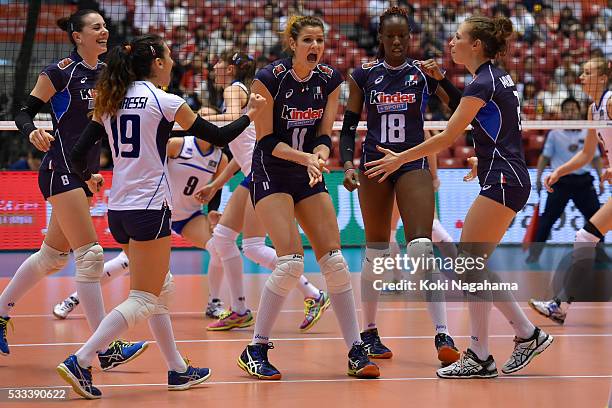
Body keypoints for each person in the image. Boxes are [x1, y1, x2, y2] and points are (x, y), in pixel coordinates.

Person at [55, 34, 265, 399]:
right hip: (150, 208)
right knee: (145, 297)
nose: (172, 63)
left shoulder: (110, 99)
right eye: (169, 57)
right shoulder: (165, 100)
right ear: (156, 62)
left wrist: (88, 178)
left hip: (119, 209)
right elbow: (217, 134)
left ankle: (177, 369)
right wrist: (251, 115)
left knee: (159, 287)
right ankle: (83, 359)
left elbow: (75, 153)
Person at [365, 15, 553, 379]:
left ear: (476, 45)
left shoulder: (482, 82)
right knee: (472, 267)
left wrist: (401, 158)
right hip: (503, 174)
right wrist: (480, 158)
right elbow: (496, 127)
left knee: (468, 265)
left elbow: (447, 135)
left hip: (503, 179)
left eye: (457, 37)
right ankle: (488, 350)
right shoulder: (495, 78)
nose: (451, 42)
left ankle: (521, 336)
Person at [2, 9, 148, 368]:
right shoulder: (60, 73)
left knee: (52, 257)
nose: (104, 31)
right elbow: (23, 109)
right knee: (91, 255)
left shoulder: (110, 74)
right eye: (95, 27)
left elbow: (101, 130)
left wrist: (93, 172)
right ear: (77, 36)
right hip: (58, 170)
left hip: (80, 174)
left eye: (104, 26)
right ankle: (105, 350)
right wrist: (30, 130)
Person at [237, 15, 379, 380]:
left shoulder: (329, 80)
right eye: (308, 41)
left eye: (320, 40)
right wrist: (306, 158)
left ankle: (354, 351)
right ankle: (256, 348)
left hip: (305, 170)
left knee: (334, 261)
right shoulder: (269, 79)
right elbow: (267, 141)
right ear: (293, 43)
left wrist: (319, 155)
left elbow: (323, 132)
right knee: (290, 263)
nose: (315, 46)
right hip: (272, 170)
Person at [340, 6, 460, 365]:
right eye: (389, 35)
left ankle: (442, 333)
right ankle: (370, 332)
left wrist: (444, 80)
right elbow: (348, 129)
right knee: (376, 251)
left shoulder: (423, 74)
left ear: (410, 38)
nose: (396, 41)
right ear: (380, 38)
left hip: (412, 163)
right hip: (375, 165)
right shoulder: (363, 75)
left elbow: (458, 109)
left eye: (402, 35)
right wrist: (347, 164)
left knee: (421, 246)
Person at [196, 50, 330, 331]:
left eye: (218, 61)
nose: (214, 65)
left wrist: (203, 116)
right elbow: (239, 150)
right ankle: (242, 308)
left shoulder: (234, 90)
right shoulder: (243, 92)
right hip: (252, 173)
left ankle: (311, 295)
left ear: (230, 69)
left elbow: (231, 123)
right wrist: (215, 184)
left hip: (260, 175)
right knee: (224, 240)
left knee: (249, 246)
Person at [52, 134, 228, 320]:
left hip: (188, 215)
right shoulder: (179, 145)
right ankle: (73, 299)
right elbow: (150, 161)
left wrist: (212, 210)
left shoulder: (220, 158)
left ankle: (214, 303)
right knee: (126, 262)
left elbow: (216, 188)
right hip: (159, 210)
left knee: (218, 248)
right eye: (205, 116)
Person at [529, 57, 612, 324]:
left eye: (588, 72)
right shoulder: (593, 110)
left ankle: (560, 305)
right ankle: (560, 306)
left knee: (585, 237)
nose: (582, 78)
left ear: (602, 77)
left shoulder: (611, 102)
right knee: (586, 237)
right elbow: (588, 153)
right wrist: (559, 171)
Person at [526, 97, 605, 265]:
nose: (571, 112)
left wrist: (600, 179)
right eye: (567, 109)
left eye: (574, 109)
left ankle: (600, 253)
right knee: (546, 220)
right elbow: (544, 157)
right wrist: (539, 178)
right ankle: (534, 254)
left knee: (597, 219)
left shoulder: (588, 131)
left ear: (579, 111)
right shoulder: (554, 133)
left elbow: (596, 159)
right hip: (560, 183)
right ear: (562, 113)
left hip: (584, 182)